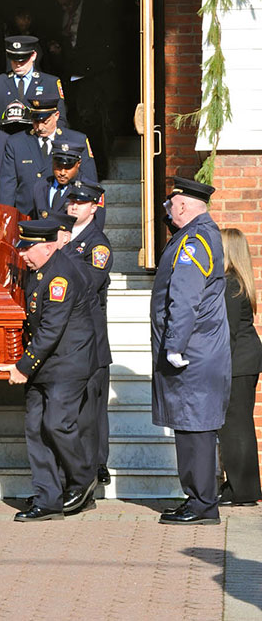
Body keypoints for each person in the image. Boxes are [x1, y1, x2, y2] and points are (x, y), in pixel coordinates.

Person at [0, 220, 98, 521]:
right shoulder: (39, 271)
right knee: (35, 429)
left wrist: (23, 366)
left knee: (57, 425)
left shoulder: (60, 276)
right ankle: (48, 497)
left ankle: (83, 479)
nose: (23, 255)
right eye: (23, 248)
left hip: (67, 363)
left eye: (29, 249)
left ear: (49, 245)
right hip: (46, 363)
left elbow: (52, 328)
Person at [151, 176, 231, 525]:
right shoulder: (197, 235)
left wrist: (174, 346)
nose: (168, 210)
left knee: (195, 429)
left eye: (171, 205)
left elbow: (184, 297)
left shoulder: (195, 240)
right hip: (200, 351)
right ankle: (198, 500)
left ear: (182, 205)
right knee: (191, 427)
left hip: (193, 354)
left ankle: (201, 504)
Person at [64, 180, 113, 485]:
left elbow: (88, 283)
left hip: (89, 334)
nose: (73, 206)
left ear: (94, 208)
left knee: (92, 406)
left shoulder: (98, 244)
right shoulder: (62, 236)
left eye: (80, 203)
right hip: (68, 335)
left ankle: (96, 464)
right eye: (71, 201)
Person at [47, 0, 120, 178]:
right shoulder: (61, 16)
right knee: (76, 125)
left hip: (94, 79)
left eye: (68, 4)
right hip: (71, 80)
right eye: (61, 5)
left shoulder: (97, 10)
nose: (65, 8)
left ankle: (99, 171)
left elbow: (108, 45)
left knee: (94, 128)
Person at [217, 228, 262, 506]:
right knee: (238, 424)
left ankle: (241, 491)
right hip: (244, 358)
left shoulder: (228, 284)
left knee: (236, 427)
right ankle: (240, 487)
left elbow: (228, 332)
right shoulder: (237, 281)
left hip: (238, 361)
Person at [0, 97, 97, 216]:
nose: (40, 128)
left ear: (56, 115)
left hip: (64, 216)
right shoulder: (16, 142)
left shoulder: (76, 140)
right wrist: (4, 218)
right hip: (27, 217)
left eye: (45, 121)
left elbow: (90, 183)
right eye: (35, 122)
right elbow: (7, 187)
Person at [0, 35, 67, 129]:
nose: (18, 64)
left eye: (22, 60)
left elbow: (60, 119)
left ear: (33, 55)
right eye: (14, 60)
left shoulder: (50, 82)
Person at [32, 146, 106, 229]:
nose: (62, 172)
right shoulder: (40, 186)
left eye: (68, 167)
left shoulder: (90, 189)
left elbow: (97, 227)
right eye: (58, 166)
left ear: (78, 164)